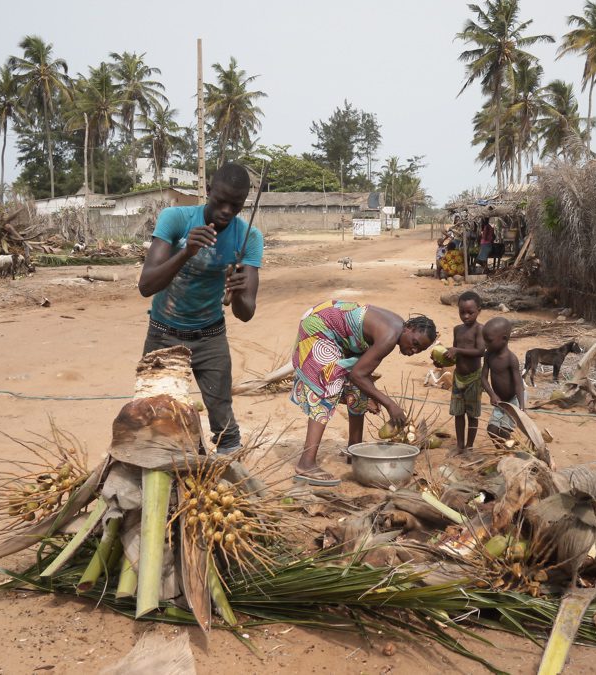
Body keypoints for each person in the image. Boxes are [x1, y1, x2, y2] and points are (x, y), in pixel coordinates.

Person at [138, 162, 262, 455]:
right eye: (221, 201)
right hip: (164, 334)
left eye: (237, 205)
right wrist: (186, 253)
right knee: (155, 419)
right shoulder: (176, 219)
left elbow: (246, 313)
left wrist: (239, 290)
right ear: (208, 191)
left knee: (224, 422)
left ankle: (226, 480)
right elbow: (146, 285)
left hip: (210, 337)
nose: (227, 211)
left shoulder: (249, 238)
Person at [290, 300, 437, 486]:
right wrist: (390, 404)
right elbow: (358, 375)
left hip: (332, 328)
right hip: (320, 327)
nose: (413, 350)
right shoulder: (390, 336)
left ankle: (354, 451)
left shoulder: (397, 329)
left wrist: (373, 394)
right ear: (409, 327)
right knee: (326, 392)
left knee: (359, 392)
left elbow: (361, 376)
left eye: (419, 350)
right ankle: (306, 463)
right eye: (414, 343)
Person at [443, 291, 485, 453]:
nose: (466, 316)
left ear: (479, 310)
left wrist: (457, 350)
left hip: (474, 378)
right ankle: (460, 445)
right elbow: (456, 355)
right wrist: (445, 358)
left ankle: (470, 446)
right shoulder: (457, 329)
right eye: (462, 312)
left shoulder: (479, 329)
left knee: (472, 414)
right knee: (458, 413)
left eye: (470, 312)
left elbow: (480, 351)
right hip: (458, 377)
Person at [481, 317, 524, 443]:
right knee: (492, 430)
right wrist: (492, 395)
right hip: (500, 400)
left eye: (488, 340)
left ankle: (507, 453)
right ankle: (504, 452)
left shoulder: (511, 359)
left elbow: (518, 384)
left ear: (504, 339)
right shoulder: (488, 355)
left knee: (504, 432)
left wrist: (521, 406)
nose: (485, 344)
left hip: (514, 399)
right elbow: (483, 378)